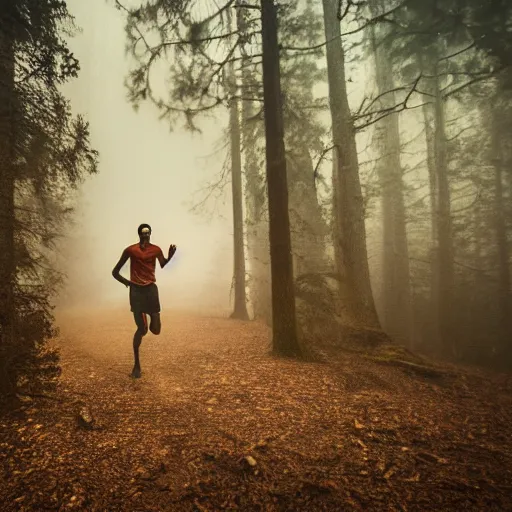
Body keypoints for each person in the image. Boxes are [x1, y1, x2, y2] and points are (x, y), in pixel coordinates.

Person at [112, 224, 176, 378]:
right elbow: (115, 272)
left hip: (151, 291)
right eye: (143, 233)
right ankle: (136, 366)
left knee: (156, 330)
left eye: (148, 233)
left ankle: (154, 317)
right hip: (136, 293)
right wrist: (128, 283)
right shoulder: (130, 250)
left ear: (151, 234)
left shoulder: (156, 250)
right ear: (139, 234)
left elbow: (162, 264)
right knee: (142, 330)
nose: (146, 236)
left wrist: (170, 257)